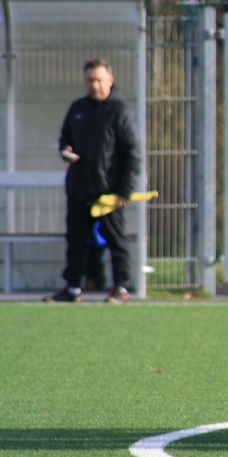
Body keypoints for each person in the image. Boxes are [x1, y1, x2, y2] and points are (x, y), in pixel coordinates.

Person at [45, 59, 141, 305]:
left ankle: (121, 287)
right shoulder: (78, 108)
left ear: (110, 80)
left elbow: (132, 153)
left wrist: (125, 190)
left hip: (109, 192)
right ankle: (73, 287)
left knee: (116, 240)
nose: (94, 85)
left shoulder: (120, 111)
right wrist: (65, 151)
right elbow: (65, 140)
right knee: (76, 241)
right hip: (79, 187)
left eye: (99, 80)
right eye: (90, 80)